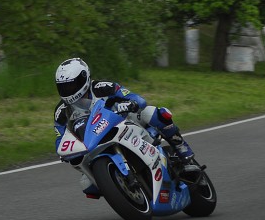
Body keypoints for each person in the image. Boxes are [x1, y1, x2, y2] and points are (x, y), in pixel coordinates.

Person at [53, 57, 196, 161]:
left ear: (84, 78)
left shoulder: (103, 87)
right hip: (93, 142)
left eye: (71, 85)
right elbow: (61, 138)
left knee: (152, 113)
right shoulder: (60, 111)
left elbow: (138, 99)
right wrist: (65, 152)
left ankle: (180, 146)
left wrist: (130, 104)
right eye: (63, 87)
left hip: (123, 121)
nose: (68, 90)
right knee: (87, 184)